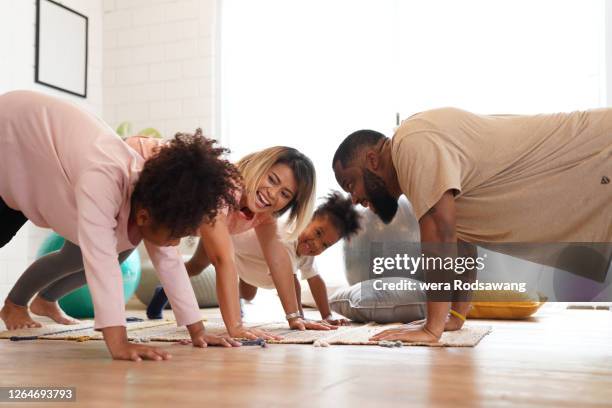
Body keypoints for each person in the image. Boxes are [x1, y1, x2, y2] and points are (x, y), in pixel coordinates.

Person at [332, 107, 612, 343]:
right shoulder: (424, 159)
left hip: (598, 151)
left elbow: (440, 235)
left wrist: (431, 328)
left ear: (372, 160)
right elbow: (462, 242)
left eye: (350, 184)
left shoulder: (410, 143)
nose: (354, 199)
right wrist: (455, 316)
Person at [0, 90, 242, 361]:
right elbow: (101, 260)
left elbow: (170, 264)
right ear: (143, 217)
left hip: (31, 148)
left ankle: (17, 303)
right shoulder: (104, 177)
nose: (175, 244)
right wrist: (119, 343)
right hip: (11, 125)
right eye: (177, 236)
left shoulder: (152, 198)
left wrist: (197, 330)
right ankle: (14, 304)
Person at [146, 146, 333, 338]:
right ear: (259, 166)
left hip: (178, 217)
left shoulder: (265, 215)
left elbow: (279, 260)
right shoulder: (225, 187)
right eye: (272, 179)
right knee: (196, 264)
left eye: (285, 194)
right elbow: (222, 260)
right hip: (144, 169)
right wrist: (235, 326)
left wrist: (294, 317)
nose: (272, 193)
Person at [234, 191, 361, 323]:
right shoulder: (287, 234)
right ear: (307, 220)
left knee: (248, 294)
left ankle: (237, 286)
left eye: (324, 245)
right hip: (232, 245)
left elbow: (315, 280)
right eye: (318, 233)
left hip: (251, 262)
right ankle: (231, 285)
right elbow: (291, 281)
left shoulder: (307, 248)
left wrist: (327, 316)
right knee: (286, 277)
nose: (316, 244)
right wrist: (298, 317)